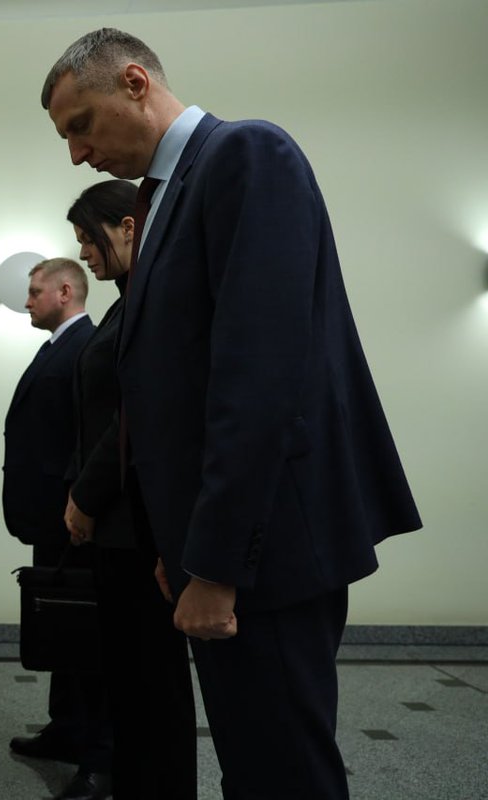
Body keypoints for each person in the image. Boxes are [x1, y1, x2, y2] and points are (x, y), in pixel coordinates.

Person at [40, 28, 422, 800]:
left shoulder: (247, 156)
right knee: (254, 765)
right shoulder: (164, 199)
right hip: (221, 553)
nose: (77, 154)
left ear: (137, 83)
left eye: (81, 124)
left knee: (283, 774)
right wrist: (175, 546)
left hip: (263, 553)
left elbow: (260, 379)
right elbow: (172, 388)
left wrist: (213, 565)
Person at [63, 180, 197, 799]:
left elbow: (136, 415)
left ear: (127, 226)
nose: (85, 254)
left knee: (150, 683)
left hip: (137, 522)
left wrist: (86, 495)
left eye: (90, 238)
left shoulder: (149, 297)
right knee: (131, 680)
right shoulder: (124, 303)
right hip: (121, 522)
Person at [1, 257, 111, 800]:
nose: (26, 300)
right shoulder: (59, 346)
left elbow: (88, 437)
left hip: (75, 520)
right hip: (52, 516)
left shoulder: (85, 346)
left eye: (33, 291)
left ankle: (99, 758)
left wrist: (79, 503)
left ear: (64, 292)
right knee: (59, 628)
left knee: (86, 639)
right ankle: (66, 729)